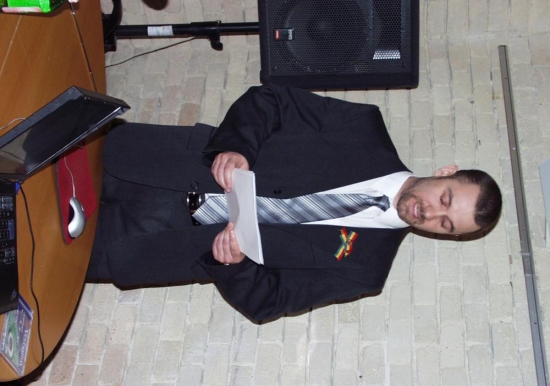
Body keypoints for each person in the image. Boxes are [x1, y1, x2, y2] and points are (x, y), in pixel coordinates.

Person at [87, 85, 502, 322]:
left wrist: (236, 266)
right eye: (444, 198)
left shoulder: (365, 270)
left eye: (446, 224)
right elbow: (270, 102)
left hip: (150, 246)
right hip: (146, 160)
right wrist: (238, 147)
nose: (431, 213)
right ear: (446, 172)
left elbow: (269, 301)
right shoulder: (362, 129)